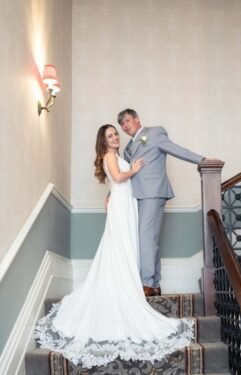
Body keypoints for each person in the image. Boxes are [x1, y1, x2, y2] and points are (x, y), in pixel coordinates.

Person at [34, 124, 194, 369]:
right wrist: (135, 170)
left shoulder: (118, 155)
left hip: (125, 202)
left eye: (116, 134)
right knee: (120, 245)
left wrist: (115, 187)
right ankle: (122, 285)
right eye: (110, 136)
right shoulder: (109, 156)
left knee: (129, 245)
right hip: (121, 205)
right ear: (104, 141)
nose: (115, 137)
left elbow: (116, 181)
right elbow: (119, 178)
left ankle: (129, 280)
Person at [118, 109, 205, 297]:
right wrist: (112, 193)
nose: (125, 126)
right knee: (150, 239)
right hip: (135, 196)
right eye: (122, 124)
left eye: (127, 121)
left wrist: (202, 160)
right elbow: (125, 173)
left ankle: (147, 283)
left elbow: (176, 149)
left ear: (137, 119)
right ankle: (155, 283)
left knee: (146, 237)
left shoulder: (155, 133)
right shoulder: (128, 147)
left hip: (153, 192)